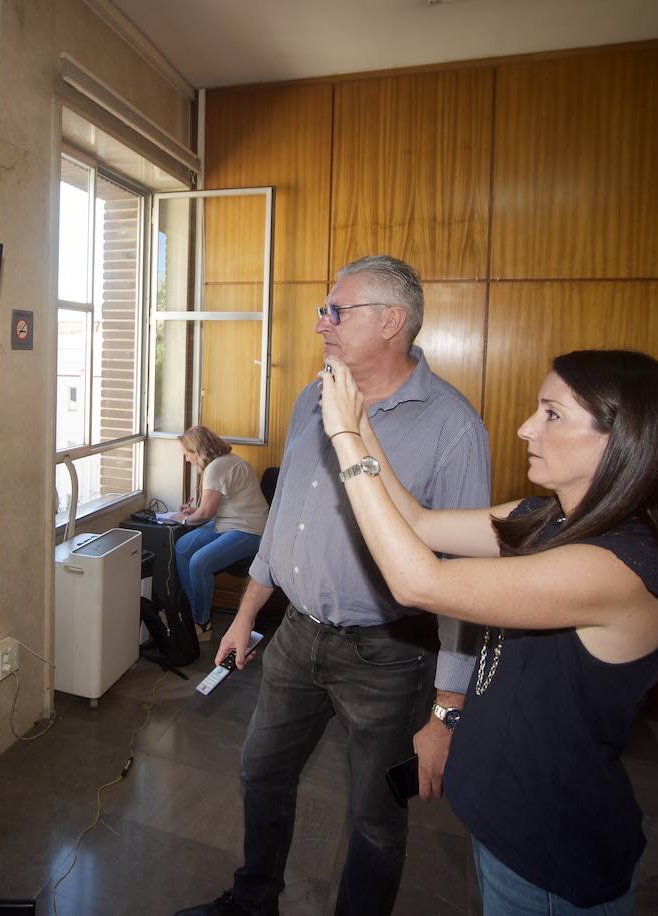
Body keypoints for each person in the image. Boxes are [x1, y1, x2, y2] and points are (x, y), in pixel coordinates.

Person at [177, 255, 490, 916]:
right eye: (323, 308)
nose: (321, 323)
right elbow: (287, 517)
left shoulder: (452, 426)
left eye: (336, 310)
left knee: (378, 816)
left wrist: (447, 709)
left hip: (391, 657)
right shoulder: (311, 397)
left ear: (391, 323)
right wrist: (246, 615)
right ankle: (253, 900)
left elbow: (465, 581)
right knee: (260, 771)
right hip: (295, 636)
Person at [318, 349, 658, 915]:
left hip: (553, 851)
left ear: (619, 439)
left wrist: (343, 437)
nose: (526, 428)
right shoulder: (545, 518)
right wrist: (361, 422)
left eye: (552, 414)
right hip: (506, 823)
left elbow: (419, 581)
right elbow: (417, 522)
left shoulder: (615, 568)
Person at [172, 426, 268, 640]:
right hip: (226, 524)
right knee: (183, 547)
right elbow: (211, 509)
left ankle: (202, 622)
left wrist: (185, 519)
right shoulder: (225, 461)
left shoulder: (216, 467)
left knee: (199, 563)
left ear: (198, 450)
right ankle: (194, 609)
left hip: (249, 530)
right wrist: (194, 513)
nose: (187, 459)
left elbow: (206, 512)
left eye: (188, 453)